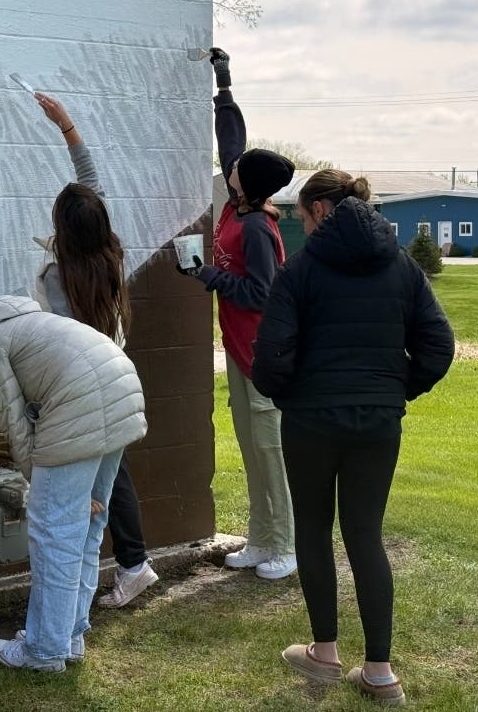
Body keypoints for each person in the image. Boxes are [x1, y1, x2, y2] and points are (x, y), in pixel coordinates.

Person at [252, 170, 455, 707]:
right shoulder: (402, 265)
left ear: (321, 208)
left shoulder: (299, 271)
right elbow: (438, 345)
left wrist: (292, 395)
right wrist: (394, 390)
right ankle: (381, 672)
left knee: (314, 531)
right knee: (365, 535)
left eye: (300, 211)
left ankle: (324, 653)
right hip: (378, 422)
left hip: (310, 421)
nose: (297, 219)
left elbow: (268, 357)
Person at [0, 292, 146, 672]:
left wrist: (37, 485)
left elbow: (15, 426)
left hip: (82, 402)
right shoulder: (10, 321)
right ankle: (68, 635)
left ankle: (43, 650)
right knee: (86, 524)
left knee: (52, 531)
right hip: (120, 388)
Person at [28, 90, 159, 609]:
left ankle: (113, 577)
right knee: (107, 483)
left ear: (63, 230)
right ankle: (131, 565)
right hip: (118, 380)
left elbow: (53, 348)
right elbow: (92, 186)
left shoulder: (57, 278)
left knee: (82, 503)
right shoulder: (109, 254)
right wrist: (67, 125)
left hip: (80, 394)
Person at [178, 47, 298, 580]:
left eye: (237, 171)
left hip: (263, 355)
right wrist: (223, 84)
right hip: (239, 349)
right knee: (251, 450)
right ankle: (259, 540)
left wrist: (205, 275)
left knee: (271, 453)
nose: (230, 167)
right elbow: (233, 141)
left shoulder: (254, 226)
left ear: (248, 185)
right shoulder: (236, 200)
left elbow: (262, 294)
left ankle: (288, 548)